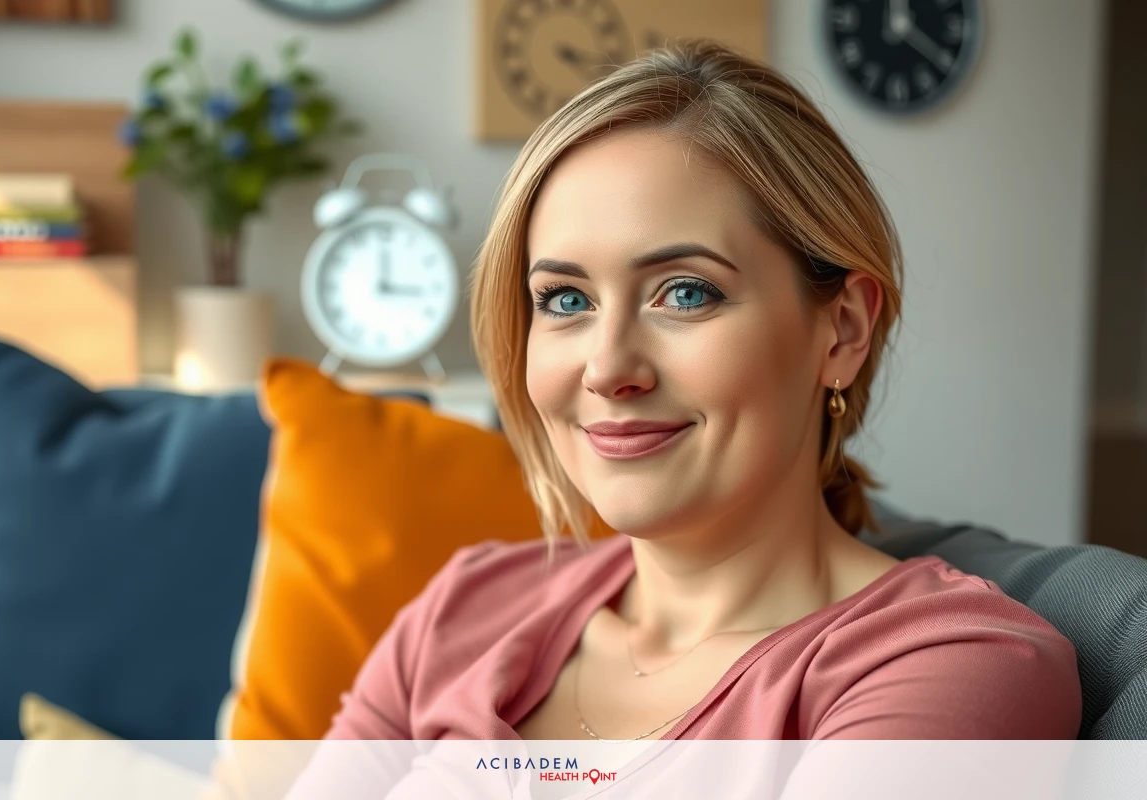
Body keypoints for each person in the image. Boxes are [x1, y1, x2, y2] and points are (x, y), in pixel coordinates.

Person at [318, 40, 1081, 747]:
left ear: (842, 330)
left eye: (685, 294)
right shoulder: (461, 610)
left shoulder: (951, 668)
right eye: (564, 300)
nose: (608, 368)